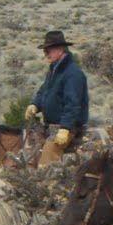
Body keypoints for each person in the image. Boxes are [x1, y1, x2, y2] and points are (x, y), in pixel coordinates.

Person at [25, 29, 89, 163]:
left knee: (47, 158)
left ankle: (46, 183)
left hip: (68, 127)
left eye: (49, 50)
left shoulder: (73, 73)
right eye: (45, 50)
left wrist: (65, 128)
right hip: (50, 125)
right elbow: (44, 91)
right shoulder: (54, 70)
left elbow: (73, 104)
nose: (45, 53)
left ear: (60, 49)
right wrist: (35, 104)